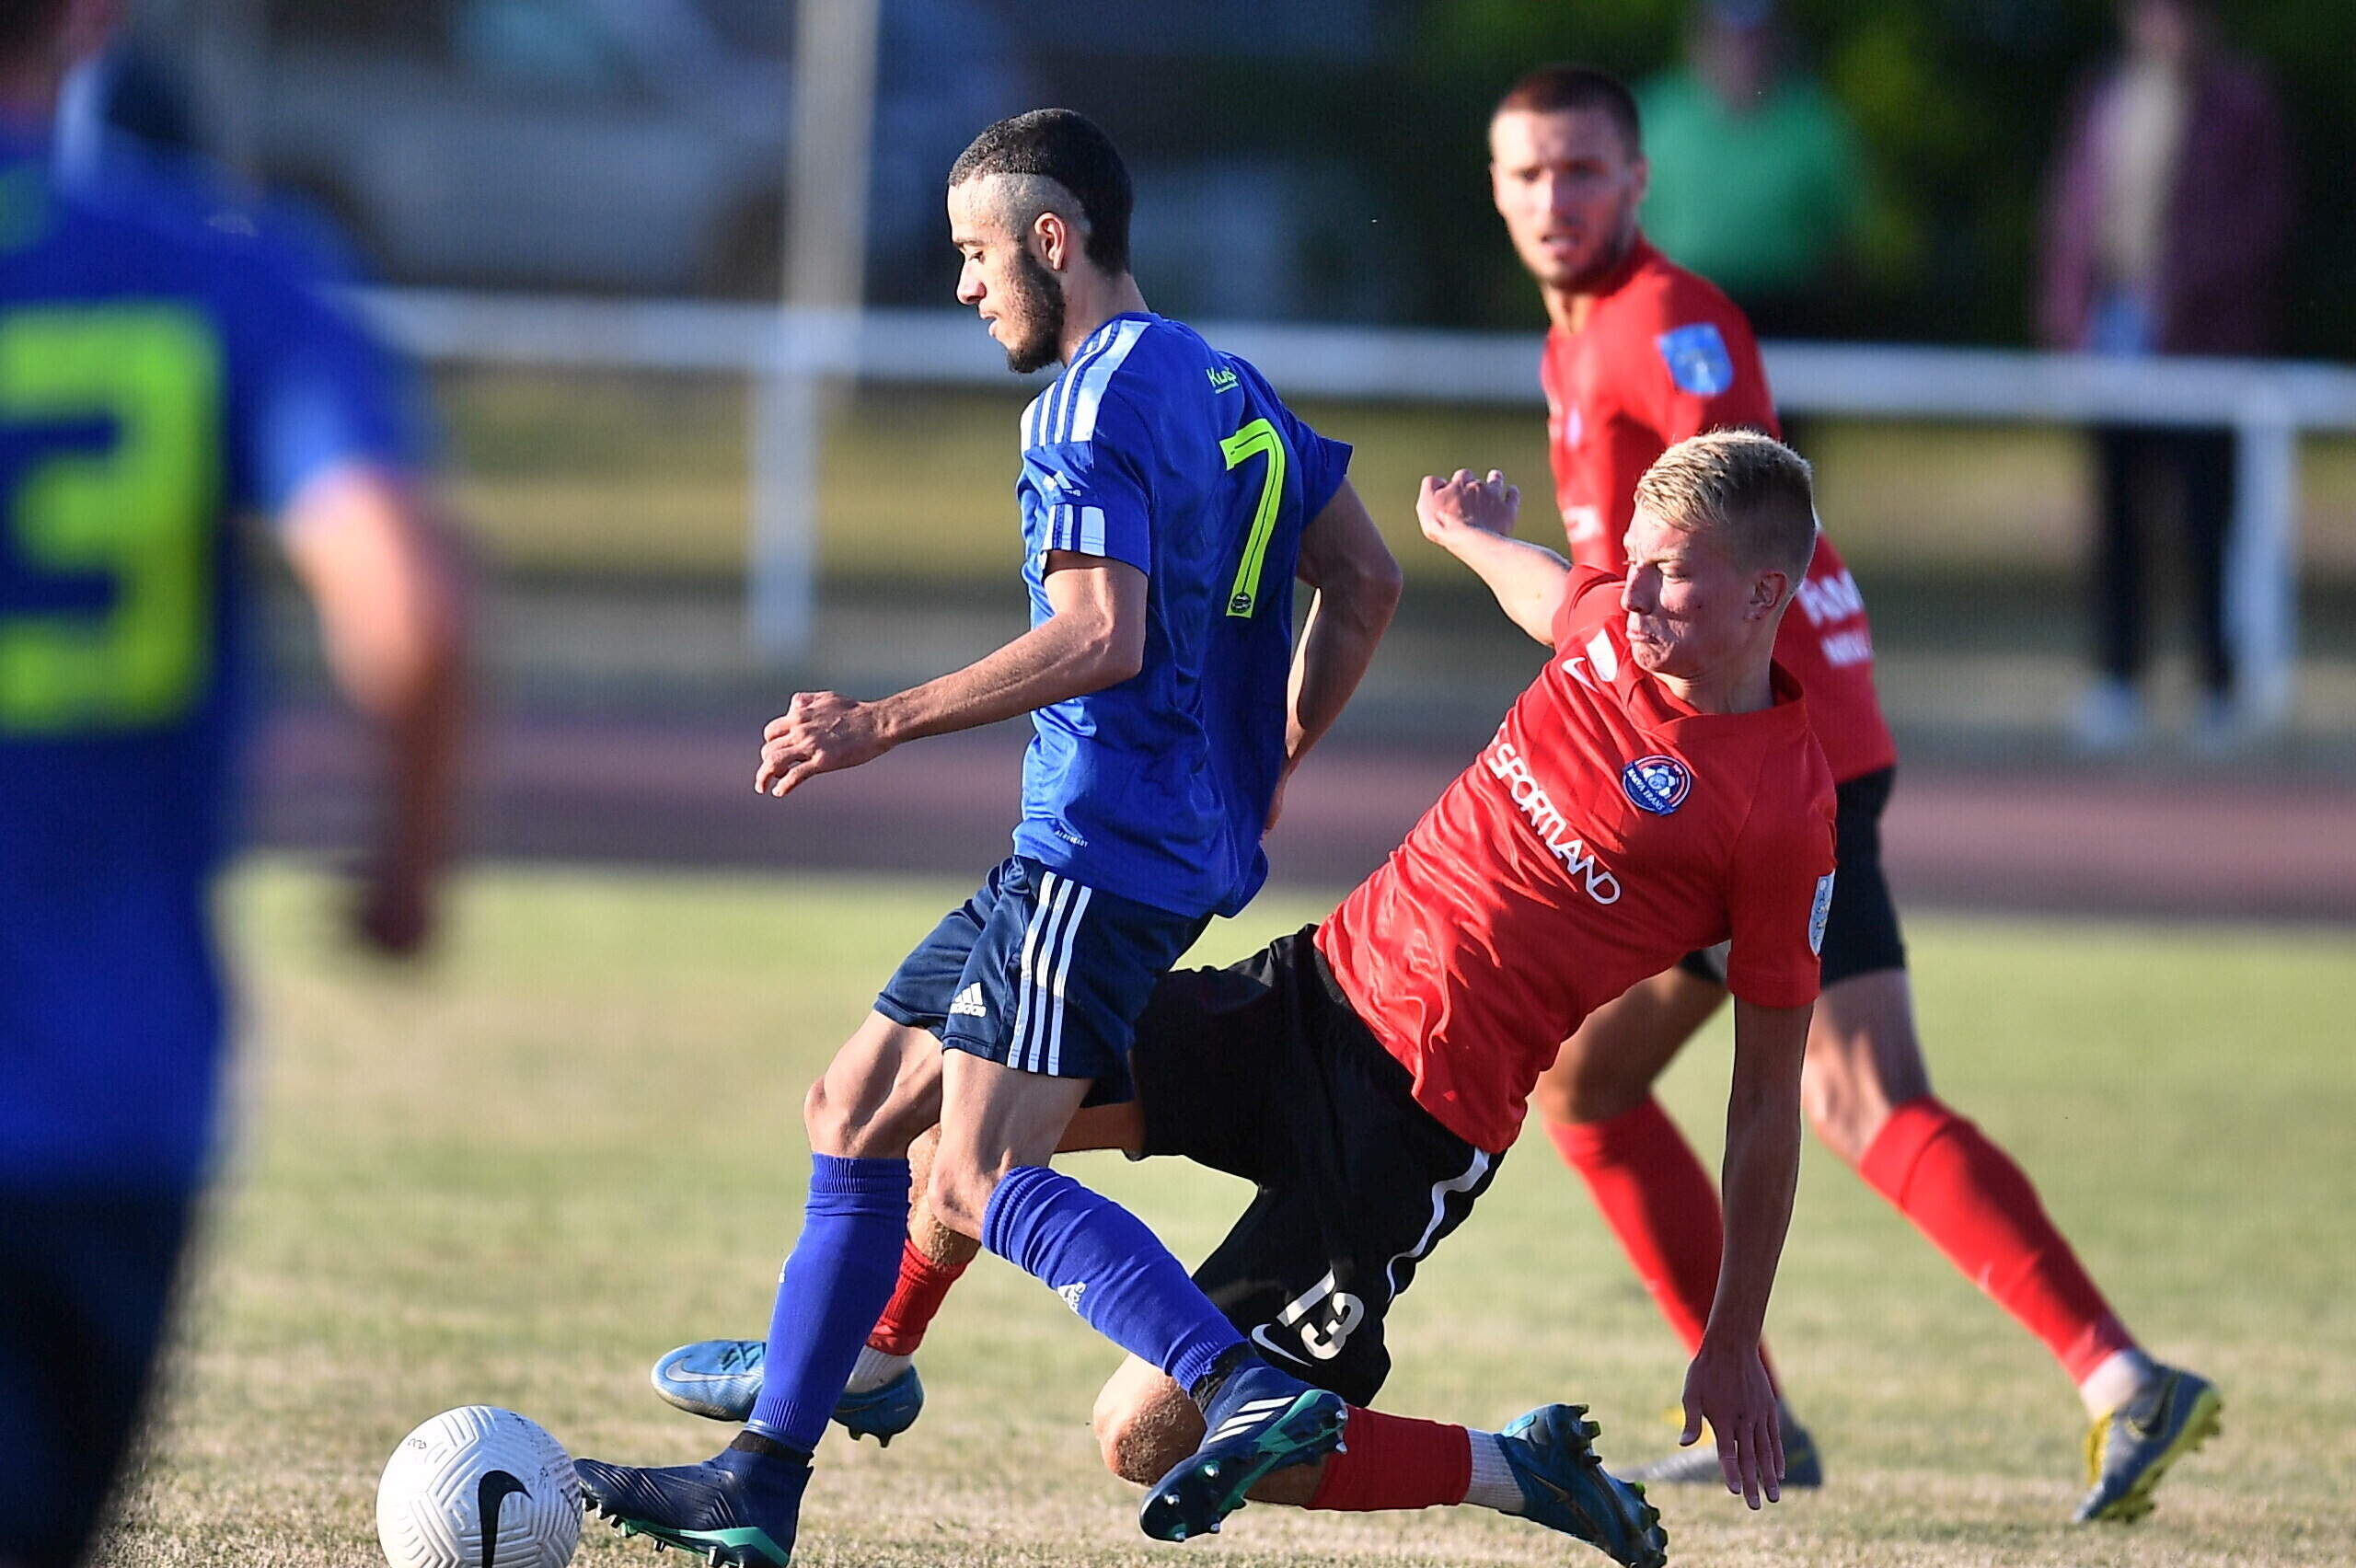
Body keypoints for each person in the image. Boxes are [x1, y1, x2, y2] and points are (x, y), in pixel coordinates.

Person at [651, 434, 1835, 1562]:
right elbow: (1547, 592)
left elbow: (1764, 1100)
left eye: (1671, 574)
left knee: (1141, 1437)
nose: (1636, 595)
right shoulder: (1612, 626)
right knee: (967, 1097)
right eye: (1632, 562)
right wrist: (1465, 534)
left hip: (1412, 1125)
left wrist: (1733, 1335)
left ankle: (1519, 1471)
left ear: (1763, 594)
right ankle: (877, 1353)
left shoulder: (1780, 812)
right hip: (1303, 996)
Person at [570, 109, 1404, 1566]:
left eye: (974, 253)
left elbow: (1099, 634)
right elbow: (1366, 577)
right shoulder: (1225, 382)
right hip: (1126, 846)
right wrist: (1271, 756)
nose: (963, 285)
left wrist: (878, 722)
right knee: (852, 1107)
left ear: (1051, 241)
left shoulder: (1082, 405)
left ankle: (1242, 1387)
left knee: (971, 1181)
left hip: (1100, 850)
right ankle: (759, 1484)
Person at [1487, 61, 2219, 1523]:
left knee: (1838, 1091)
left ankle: (2106, 1378)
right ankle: (1803, 1396)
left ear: (1640, 181)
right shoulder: (1581, 342)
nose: (1556, 198)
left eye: (1584, 171)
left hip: (1768, 761)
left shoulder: (1672, 325)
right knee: (1610, 1081)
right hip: (1781, 749)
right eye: (1529, 174)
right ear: (1497, 189)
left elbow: (1738, 527)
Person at [0, 0, 469, 1562]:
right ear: (87, 23)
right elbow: (412, 617)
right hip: (101, 1108)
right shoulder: (217, 278)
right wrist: (401, 880)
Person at [2038, 0, 2292, 753]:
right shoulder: (2105, 95)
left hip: (2203, 340)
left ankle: (2219, 684)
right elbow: (2075, 212)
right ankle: (2118, 679)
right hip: (2115, 331)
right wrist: (2070, 314)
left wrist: (2185, 289)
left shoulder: (2240, 103)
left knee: (2208, 517)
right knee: (2118, 513)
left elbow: (2263, 220)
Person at [1634, 0, 1866, 339]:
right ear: (1698, 41)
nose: (1742, 53)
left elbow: (1845, 240)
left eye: (1754, 39)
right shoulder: (1657, 116)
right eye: (1727, 38)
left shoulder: (1814, 121)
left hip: (1788, 310)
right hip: (1680, 306)